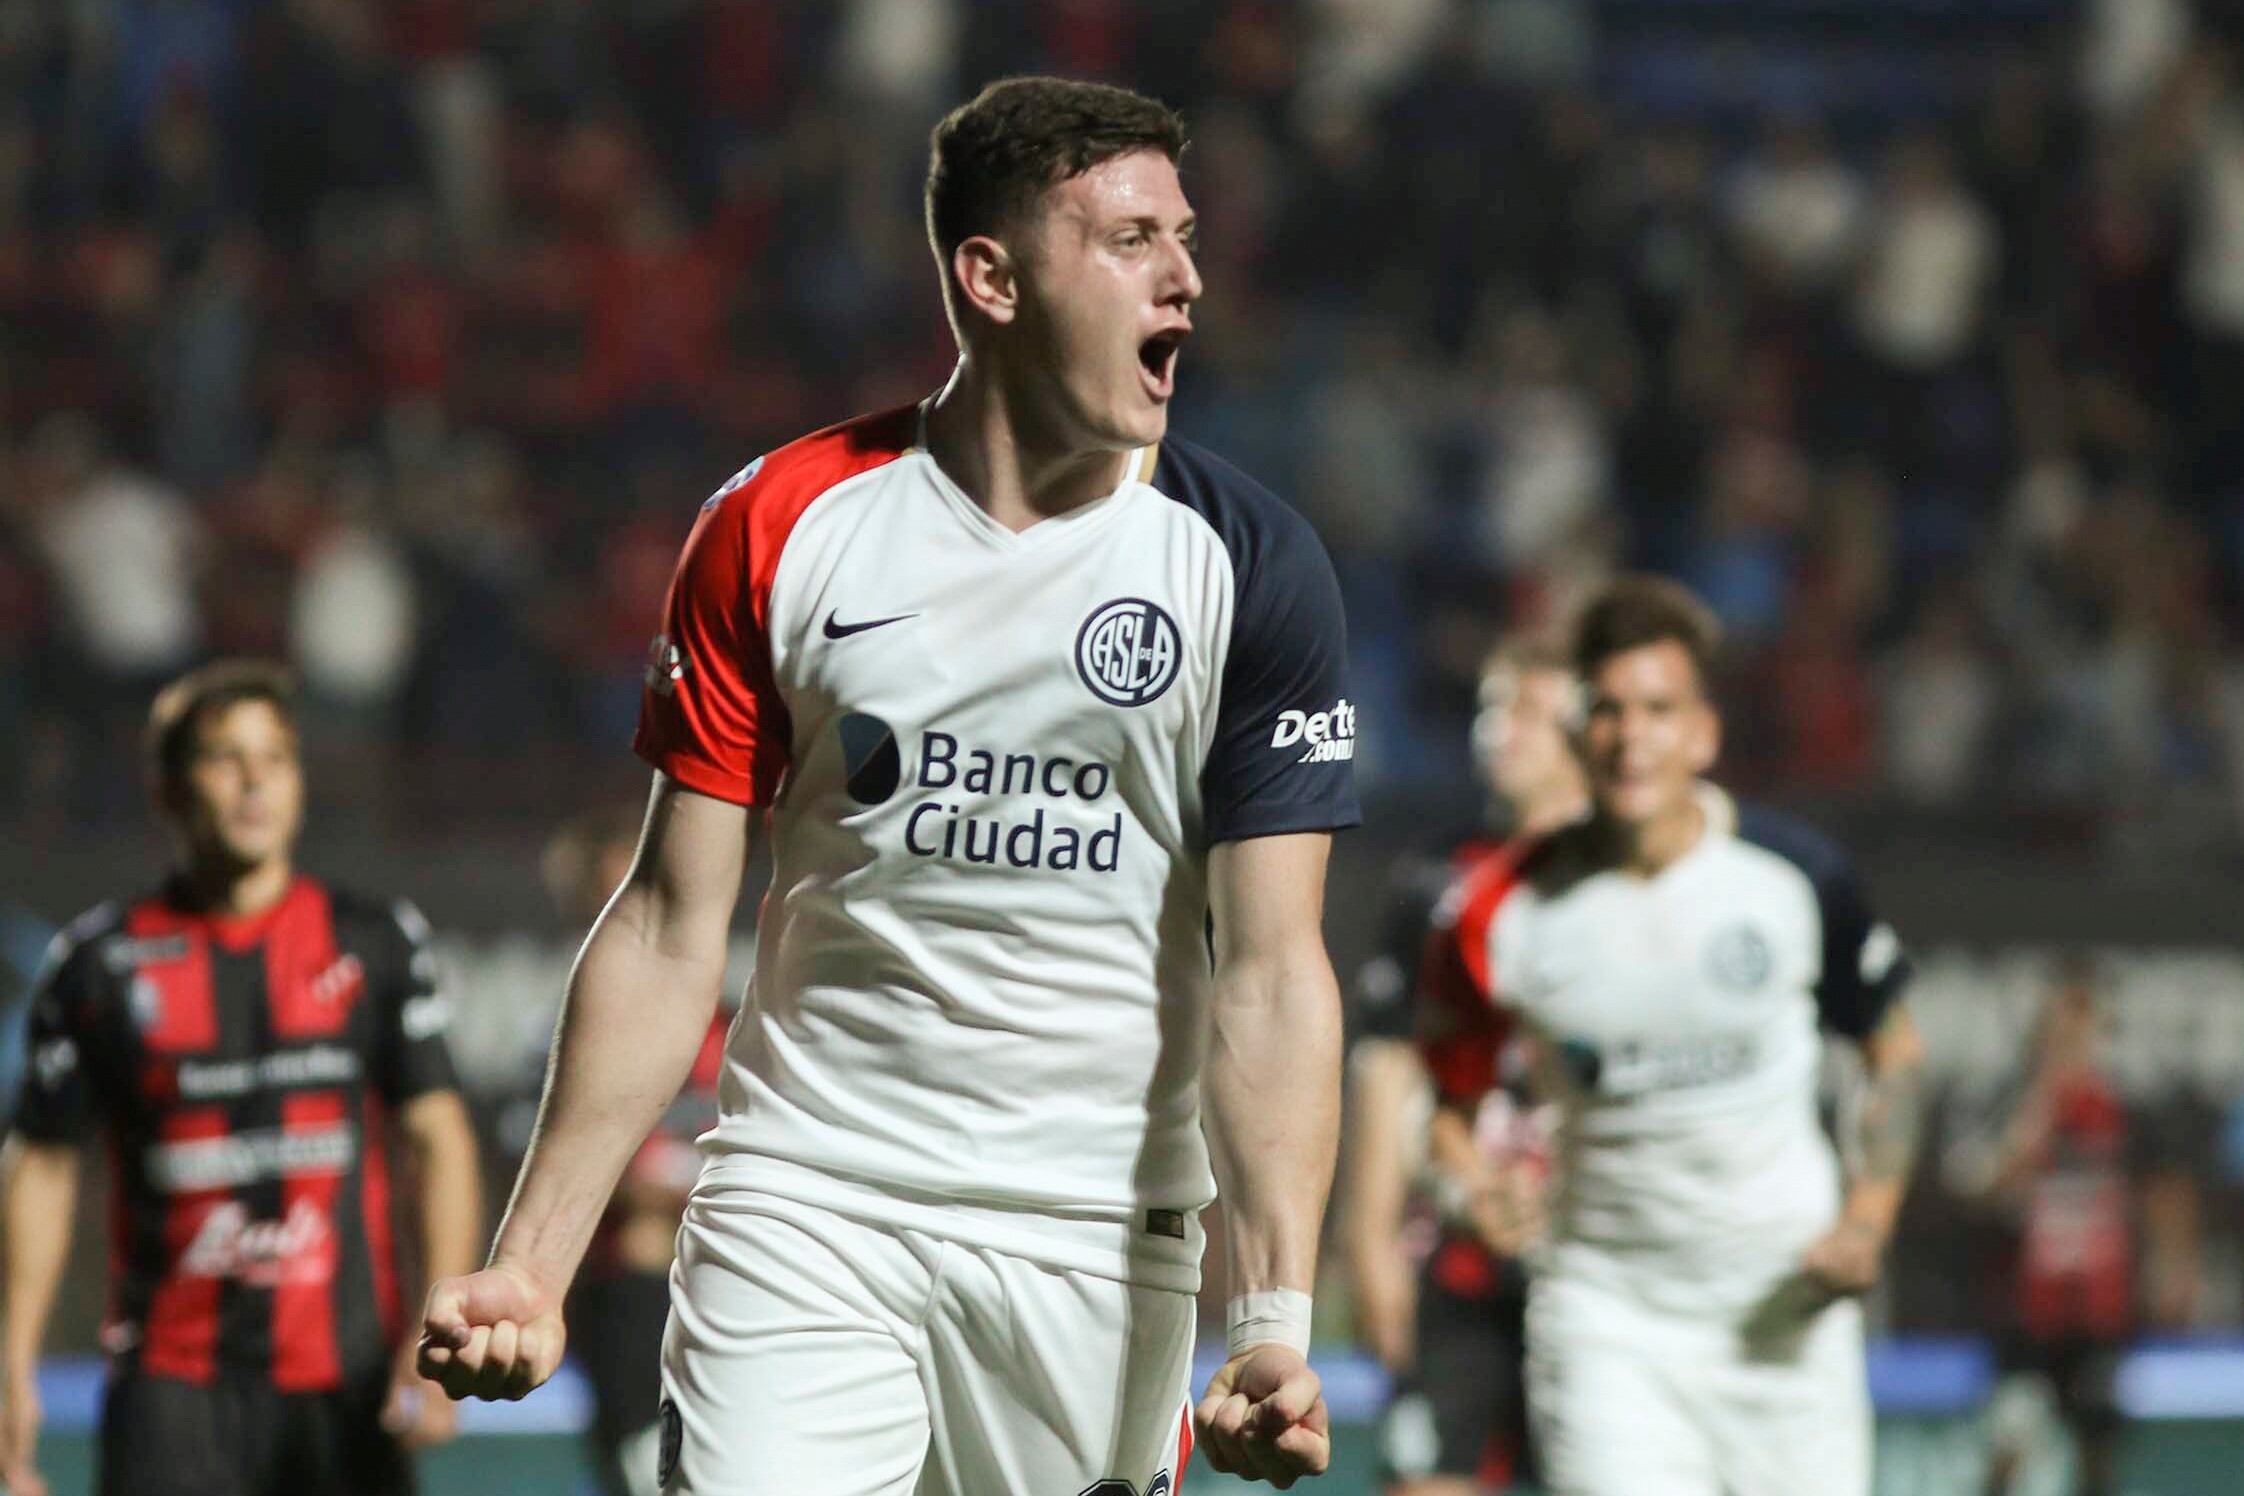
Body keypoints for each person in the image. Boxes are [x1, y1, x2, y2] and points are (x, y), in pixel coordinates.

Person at [416, 76, 1358, 1496]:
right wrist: (531, 1267)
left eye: (1186, 238)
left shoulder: (1250, 563)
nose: (1186, 279)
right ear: (988, 277)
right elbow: (673, 927)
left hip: (1097, 1236)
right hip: (810, 1196)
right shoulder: (781, 525)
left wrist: (1274, 1320)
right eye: (1129, 241)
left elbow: (1273, 975)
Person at [1467, 577, 1924, 1496]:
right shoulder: (1500, 907)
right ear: (1575, 733)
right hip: (1610, 1321)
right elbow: (1440, 1082)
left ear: (1704, 732)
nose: (1632, 738)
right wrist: (1468, 1179)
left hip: (1785, 1323)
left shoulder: (1794, 878)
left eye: (1659, 710)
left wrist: (1868, 1223)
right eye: (1608, 711)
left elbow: (1895, 1056)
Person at [0, 660, 482, 1496]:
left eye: (277, 757)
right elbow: (41, 1165)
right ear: (168, 789)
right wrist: (10, 1356)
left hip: (347, 1385)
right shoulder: (97, 965)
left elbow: (437, 1139)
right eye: (226, 757)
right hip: (169, 1395)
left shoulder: (372, 940)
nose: (255, 780)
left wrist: (437, 1320)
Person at [1362, 638, 1587, 1496]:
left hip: (1590, 1258)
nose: (1501, 731)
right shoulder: (1436, 880)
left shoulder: (1621, 880)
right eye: (1493, 709)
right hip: (1456, 1253)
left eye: (1529, 710)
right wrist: (1371, 1241)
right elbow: (1388, 1072)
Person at [1958, 954, 2204, 1496]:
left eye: (2083, 1027)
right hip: (2025, 1314)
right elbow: (1980, 1188)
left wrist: (2175, 1270)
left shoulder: (2125, 1104)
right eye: (2059, 1029)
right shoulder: (2013, 1101)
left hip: (2100, 1311)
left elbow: (2165, 1188)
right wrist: (2039, 1110)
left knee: (2097, 1448)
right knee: (2010, 1439)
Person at [541, 807, 732, 1496]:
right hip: (627, 1294)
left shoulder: (730, 1025)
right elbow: (596, 1170)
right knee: (642, 1468)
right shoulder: (575, 1034)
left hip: (721, 1286)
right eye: (612, 897)